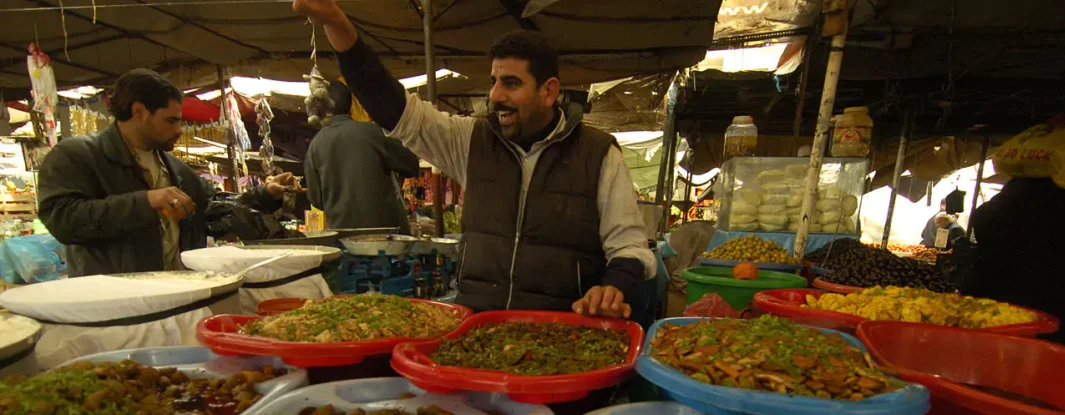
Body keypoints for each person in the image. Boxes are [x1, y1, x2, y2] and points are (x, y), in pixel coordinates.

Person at [293, 0, 656, 318]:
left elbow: (629, 246)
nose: (496, 95)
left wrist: (613, 287)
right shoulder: (471, 140)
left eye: (511, 83)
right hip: (480, 327)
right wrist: (338, 26)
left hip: (562, 331)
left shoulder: (598, 154)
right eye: (494, 81)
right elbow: (395, 109)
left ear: (549, 92)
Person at [38, 69, 292, 277]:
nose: (180, 129)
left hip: (174, 294)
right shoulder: (77, 155)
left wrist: (265, 193)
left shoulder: (174, 167)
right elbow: (62, 220)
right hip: (114, 305)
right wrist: (146, 201)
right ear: (138, 112)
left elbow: (213, 208)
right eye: (171, 120)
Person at [304, 81, 421, 233]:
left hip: (345, 237)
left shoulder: (315, 145)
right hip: (387, 238)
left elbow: (317, 201)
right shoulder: (373, 132)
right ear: (351, 105)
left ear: (321, 108)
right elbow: (411, 165)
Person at [964, 177, 1065, 345]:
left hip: (1000, 294)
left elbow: (983, 218)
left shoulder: (1024, 187)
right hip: (1033, 303)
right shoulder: (1046, 190)